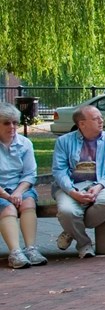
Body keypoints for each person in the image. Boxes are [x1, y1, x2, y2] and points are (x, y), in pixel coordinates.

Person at [50, 104, 105, 259]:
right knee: (67, 211)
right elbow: (59, 171)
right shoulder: (63, 142)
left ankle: (70, 229)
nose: (101, 121)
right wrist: (72, 192)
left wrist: (99, 186)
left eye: (101, 117)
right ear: (82, 124)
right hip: (72, 186)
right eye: (95, 118)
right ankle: (83, 244)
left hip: (104, 184)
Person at [0, 103, 46, 269]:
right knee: (8, 209)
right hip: (1, 191)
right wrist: (7, 196)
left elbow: (29, 174)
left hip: (20, 188)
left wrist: (18, 192)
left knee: (28, 203)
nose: (12, 127)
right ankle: (15, 252)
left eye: (15, 123)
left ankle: (31, 248)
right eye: (6, 123)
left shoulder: (25, 143)